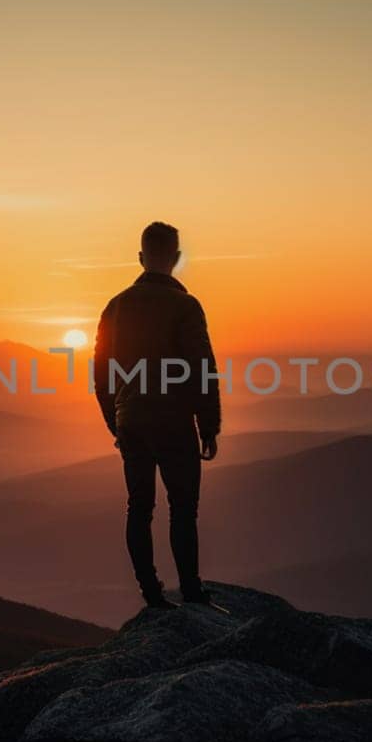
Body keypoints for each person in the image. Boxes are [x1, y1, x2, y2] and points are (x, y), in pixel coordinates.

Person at [92, 221, 220, 609]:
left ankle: (152, 595)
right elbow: (201, 369)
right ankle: (192, 592)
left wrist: (116, 420)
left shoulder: (115, 306)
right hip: (173, 421)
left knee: (139, 506)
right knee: (183, 508)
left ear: (141, 257)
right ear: (176, 259)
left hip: (132, 420)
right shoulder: (185, 306)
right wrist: (208, 425)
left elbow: (100, 372)